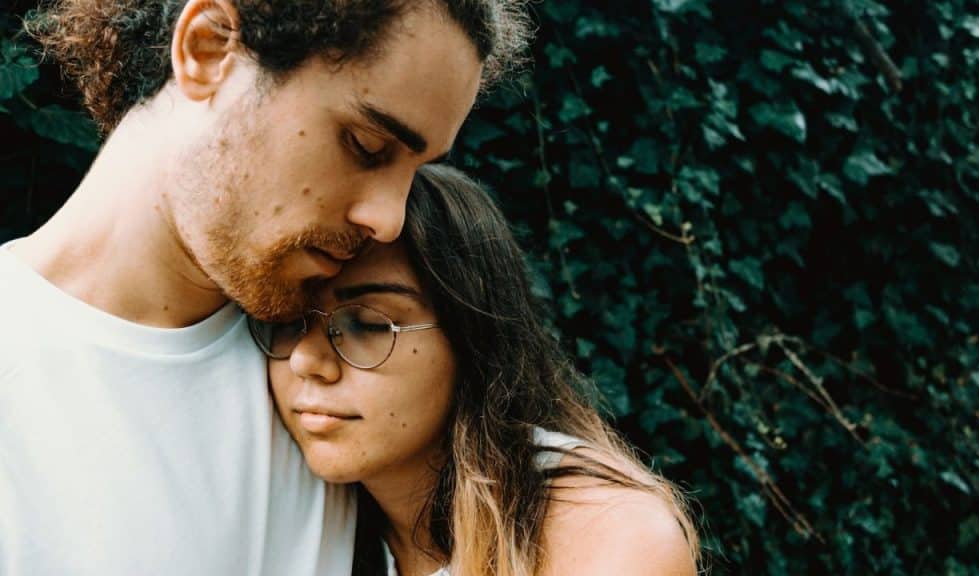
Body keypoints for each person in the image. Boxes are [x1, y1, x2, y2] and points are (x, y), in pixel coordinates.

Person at [0, 1, 529, 574]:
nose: (389, 219)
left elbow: (523, 472)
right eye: (367, 146)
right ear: (207, 49)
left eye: (415, 169)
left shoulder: (350, 363)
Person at [257, 165, 702, 576]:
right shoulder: (298, 514)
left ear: (471, 335)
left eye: (368, 325)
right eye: (289, 322)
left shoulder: (607, 536)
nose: (304, 359)